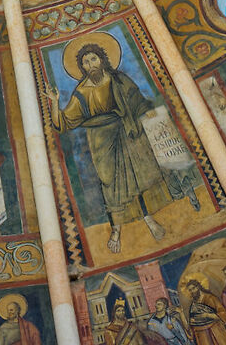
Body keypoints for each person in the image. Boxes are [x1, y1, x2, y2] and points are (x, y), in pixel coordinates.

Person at [54, 33, 191, 253]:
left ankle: (149, 219)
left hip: (127, 131)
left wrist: (146, 113)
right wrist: (53, 104)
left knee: (138, 175)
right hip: (100, 140)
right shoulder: (81, 92)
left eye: (94, 59)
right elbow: (64, 122)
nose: (91, 65)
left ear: (102, 59)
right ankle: (116, 229)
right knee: (111, 181)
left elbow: (136, 99)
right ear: (81, 67)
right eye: (86, 62)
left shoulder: (118, 79)